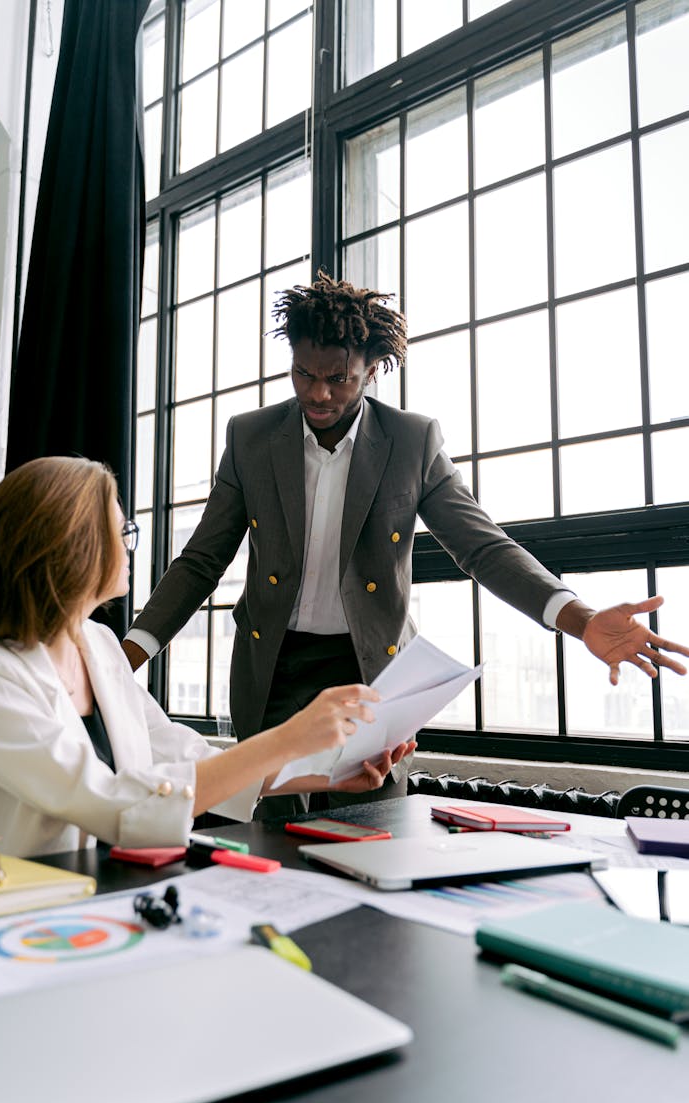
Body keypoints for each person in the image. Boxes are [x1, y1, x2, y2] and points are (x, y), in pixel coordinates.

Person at [124, 271, 689, 816]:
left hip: (367, 670)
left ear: (372, 370)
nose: (317, 393)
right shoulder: (250, 437)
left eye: (338, 378)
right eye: (303, 374)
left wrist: (580, 618)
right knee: (269, 830)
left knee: (369, 832)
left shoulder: (411, 441)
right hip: (271, 667)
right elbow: (201, 560)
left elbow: (482, 546)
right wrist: (124, 657)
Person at [0, 456, 413, 858]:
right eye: (123, 529)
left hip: (102, 896)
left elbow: (183, 755)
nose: (129, 546)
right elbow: (108, 799)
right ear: (74, 547)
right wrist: (289, 738)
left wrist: (333, 769)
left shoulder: (99, 645)